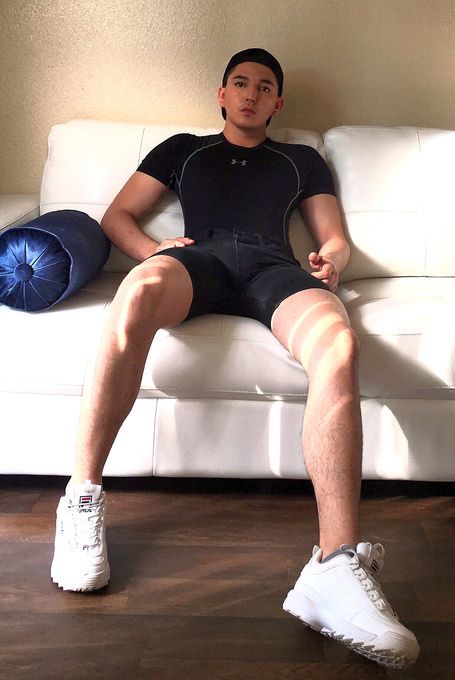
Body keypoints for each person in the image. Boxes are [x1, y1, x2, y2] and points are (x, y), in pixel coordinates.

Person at [51, 48, 419, 669]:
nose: (251, 93)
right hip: (199, 260)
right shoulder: (183, 149)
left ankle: (334, 565)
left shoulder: (301, 159)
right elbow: (118, 216)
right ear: (222, 94)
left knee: (339, 343)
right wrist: (151, 250)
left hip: (274, 268)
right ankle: (82, 496)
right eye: (240, 83)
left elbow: (334, 238)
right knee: (134, 295)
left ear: (278, 103)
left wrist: (331, 262)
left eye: (265, 87)